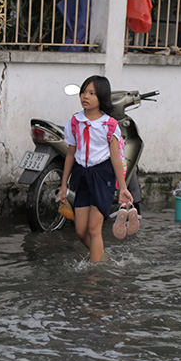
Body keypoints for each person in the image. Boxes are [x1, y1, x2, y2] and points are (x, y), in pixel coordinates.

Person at [59, 76, 135, 262]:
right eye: (84, 92)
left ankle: (94, 276)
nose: (86, 96)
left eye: (92, 93)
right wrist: (63, 186)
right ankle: (101, 257)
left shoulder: (109, 125)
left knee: (94, 229)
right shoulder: (75, 122)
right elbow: (70, 153)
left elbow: (116, 157)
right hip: (82, 176)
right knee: (80, 230)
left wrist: (123, 187)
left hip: (103, 176)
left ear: (101, 97)